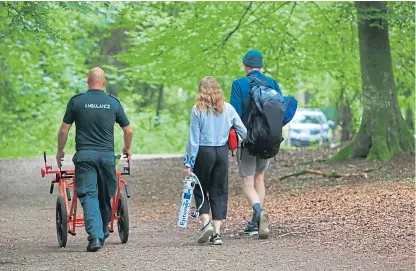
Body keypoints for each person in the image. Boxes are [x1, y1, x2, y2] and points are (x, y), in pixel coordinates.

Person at [56, 67, 133, 252]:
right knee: (106, 196)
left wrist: (60, 151)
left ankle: (96, 237)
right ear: (104, 82)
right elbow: (128, 130)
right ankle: (102, 231)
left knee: (89, 195)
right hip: (107, 157)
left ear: (87, 81)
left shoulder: (77, 101)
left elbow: (64, 130)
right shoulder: (113, 103)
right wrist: (127, 148)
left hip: (85, 156)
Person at [184, 76, 247, 245]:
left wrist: (188, 163)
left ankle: (206, 225)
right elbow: (243, 131)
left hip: (204, 152)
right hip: (221, 152)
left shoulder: (197, 110)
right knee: (219, 190)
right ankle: (217, 234)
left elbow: (193, 140)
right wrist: (237, 143)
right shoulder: (228, 109)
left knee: (200, 188)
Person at [230, 49, 282, 239]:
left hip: (248, 140)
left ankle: (259, 214)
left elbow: (234, 114)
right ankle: (255, 222)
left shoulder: (239, 84)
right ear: (261, 66)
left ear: (245, 66)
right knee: (259, 178)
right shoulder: (272, 83)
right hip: (268, 140)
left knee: (247, 181)